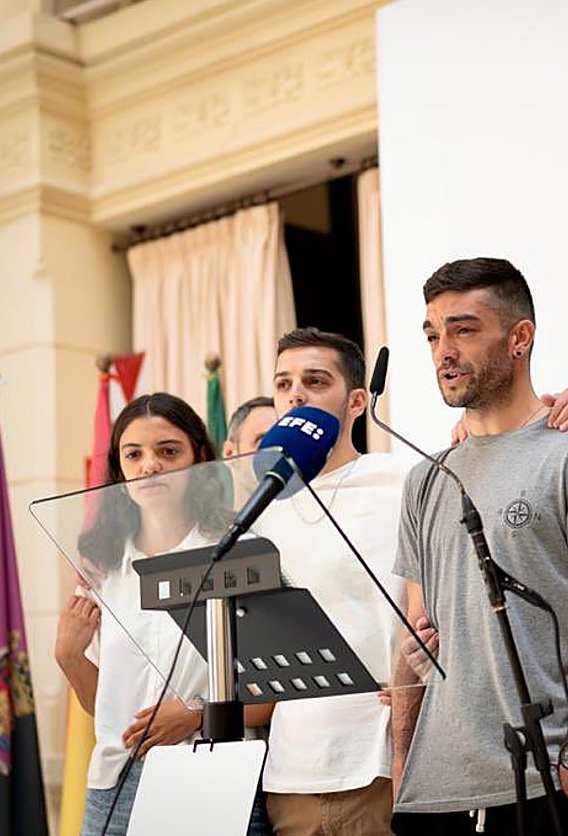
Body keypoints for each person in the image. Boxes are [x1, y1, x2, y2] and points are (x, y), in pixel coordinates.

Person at [390, 257, 568, 834]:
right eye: (432, 335)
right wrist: (403, 761)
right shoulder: (425, 478)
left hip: (545, 783)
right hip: (432, 794)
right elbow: (412, 634)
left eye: (464, 329)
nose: (443, 351)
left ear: (520, 337)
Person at [254, 327, 412, 836]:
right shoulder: (263, 503)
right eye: (284, 384)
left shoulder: (401, 482)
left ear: (357, 401)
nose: (296, 393)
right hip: (290, 771)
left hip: (381, 762)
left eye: (315, 381)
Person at [55, 393, 229, 835]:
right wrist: (70, 657)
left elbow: (274, 689)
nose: (149, 465)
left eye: (168, 451)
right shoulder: (103, 567)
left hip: (210, 773)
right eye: (134, 454)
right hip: (116, 783)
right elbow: (109, 708)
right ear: (119, 469)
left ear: (200, 459)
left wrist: (196, 713)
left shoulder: (234, 551)